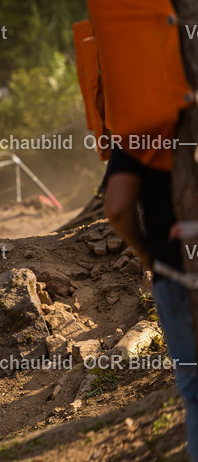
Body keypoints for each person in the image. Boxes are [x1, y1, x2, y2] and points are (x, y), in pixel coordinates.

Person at [103, 145, 196, 460]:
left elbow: (117, 207)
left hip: (173, 272)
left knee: (195, 388)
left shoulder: (139, 127)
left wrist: (146, 253)